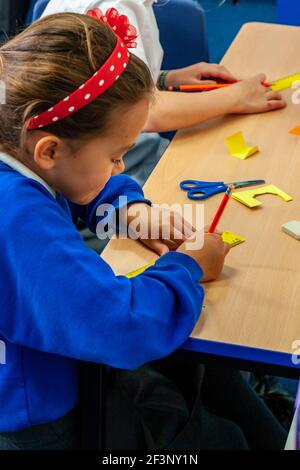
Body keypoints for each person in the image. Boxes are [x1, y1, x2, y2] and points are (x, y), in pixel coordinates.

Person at [0, 11, 230, 450]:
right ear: (49, 150)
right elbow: (122, 326)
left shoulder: (16, 140)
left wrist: (129, 211)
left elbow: (76, 183)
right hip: (39, 423)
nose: (120, 167)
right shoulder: (18, 216)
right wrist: (187, 269)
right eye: (116, 156)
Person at [41, 0, 286, 186]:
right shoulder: (113, 9)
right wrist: (236, 97)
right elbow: (143, 112)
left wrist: (164, 78)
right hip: (114, 170)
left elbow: (106, 84)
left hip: (112, 155)